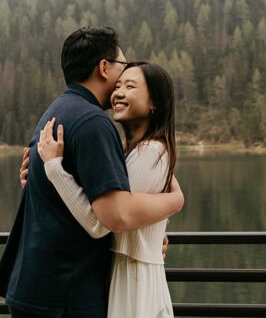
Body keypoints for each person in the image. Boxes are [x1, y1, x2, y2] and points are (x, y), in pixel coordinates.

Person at [0, 27, 184, 317]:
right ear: (104, 68)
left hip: (38, 287)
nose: (121, 84)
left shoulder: (57, 111)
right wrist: (176, 201)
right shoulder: (93, 123)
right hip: (64, 295)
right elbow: (111, 217)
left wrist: (148, 233)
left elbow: (62, 197)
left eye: (131, 84)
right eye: (122, 69)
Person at [36, 61, 178, 317]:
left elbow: (103, 221)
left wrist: (55, 169)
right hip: (125, 271)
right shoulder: (132, 153)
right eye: (119, 84)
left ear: (154, 103)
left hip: (135, 279)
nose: (118, 92)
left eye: (130, 86)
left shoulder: (151, 152)